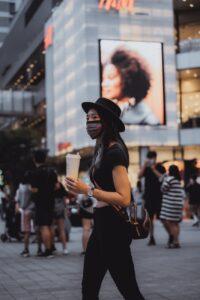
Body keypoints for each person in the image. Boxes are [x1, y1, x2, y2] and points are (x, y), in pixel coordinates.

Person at [66, 97, 145, 300]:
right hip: (101, 223)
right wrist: (78, 188)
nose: (89, 123)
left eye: (94, 118)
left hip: (114, 227)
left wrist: (89, 191)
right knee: (89, 287)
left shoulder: (115, 152)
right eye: (87, 118)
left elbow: (124, 197)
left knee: (129, 289)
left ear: (107, 122)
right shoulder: (101, 150)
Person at [102, 47, 160, 125]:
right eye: (103, 79)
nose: (104, 84)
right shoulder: (110, 111)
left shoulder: (148, 120)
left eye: (111, 77)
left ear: (128, 77)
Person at [31, 149, 57, 258]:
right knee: (50, 225)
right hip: (51, 201)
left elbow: (34, 190)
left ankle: (48, 251)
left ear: (34, 159)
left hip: (40, 203)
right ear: (45, 159)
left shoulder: (35, 173)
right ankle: (51, 247)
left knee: (43, 226)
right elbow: (56, 186)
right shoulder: (52, 171)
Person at [139, 151, 164, 246]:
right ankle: (151, 237)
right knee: (149, 218)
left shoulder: (160, 167)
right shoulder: (146, 168)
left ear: (155, 158)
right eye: (149, 158)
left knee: (163, 218)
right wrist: (144, 165)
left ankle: (171, 235)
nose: (151, 160)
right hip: (148, 196)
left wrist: (153, 169)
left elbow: (161, 177)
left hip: (159, 196)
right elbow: (139, 176)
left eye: (152, 158)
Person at [160, 165, 184, 248]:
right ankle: (176, 241)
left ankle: (175, 241)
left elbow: (163, 189)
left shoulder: (169, 179)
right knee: (175, 223)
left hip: (171, 204)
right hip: (177, 204)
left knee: (171, 223)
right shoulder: (178, 179)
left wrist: (164, 178)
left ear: (169, 171)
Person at [15, 172, 38, 257]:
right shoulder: (33, 186)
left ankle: (26, 250)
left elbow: (17, 200)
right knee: (37, 229)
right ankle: (39, 249)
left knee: (26, 231)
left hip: (25, 211)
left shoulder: (21, 187)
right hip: (35, 209)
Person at [52, 181, 69, 255]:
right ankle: (64, 248)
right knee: (61, 230)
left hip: (53, 211)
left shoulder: (50, 190)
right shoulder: (62, 191)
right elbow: (65, 203)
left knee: (52, 229)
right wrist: (66, 211)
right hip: (60, 211)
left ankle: (53, 247)